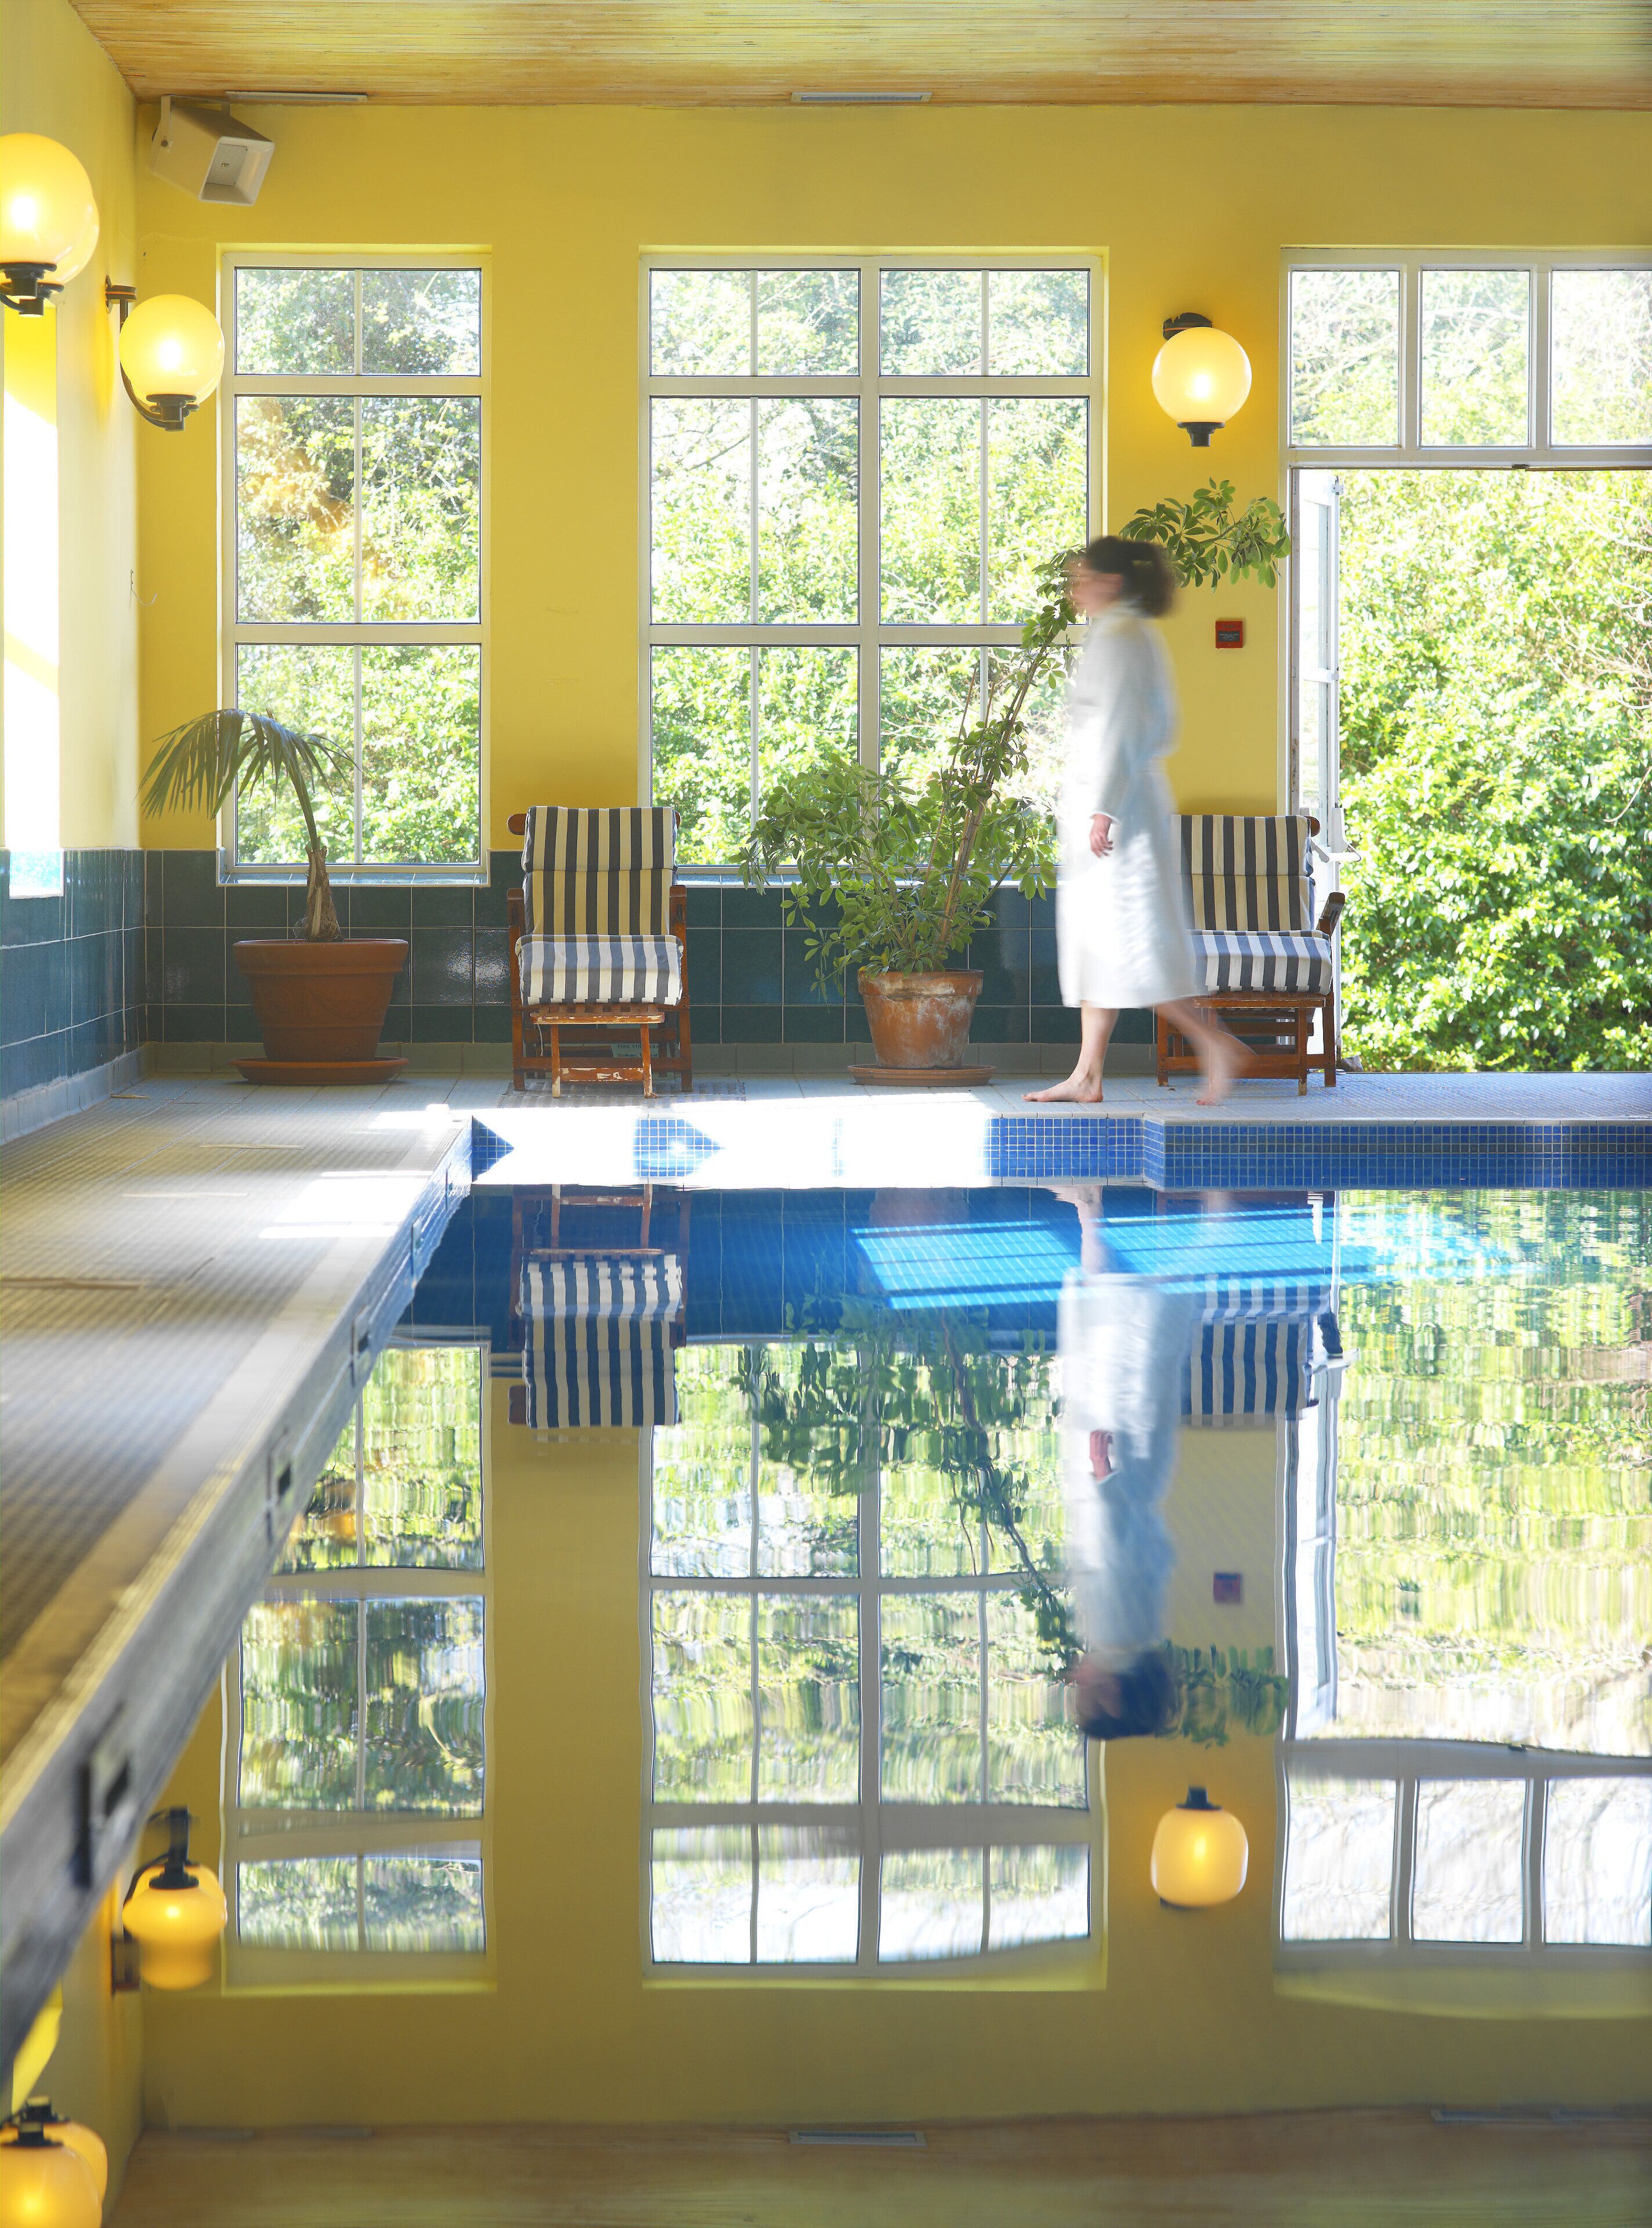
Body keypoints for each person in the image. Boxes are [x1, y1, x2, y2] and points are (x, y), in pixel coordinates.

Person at [1027, 534, 1245, 1108]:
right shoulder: (1123, 631)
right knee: (1102, 943)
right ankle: (1087, 1076)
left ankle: (1213, 1043)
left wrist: (1105, 808)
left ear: (1112, 582)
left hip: (1120, 815)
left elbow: (1122, 727)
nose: (1076, 589)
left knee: (1133, 945)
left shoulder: (1122, 635)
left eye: (1083, 578)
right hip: (1117, 806)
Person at [1050, 1184, 1198, 1746]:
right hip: (1112, 1466)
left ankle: (1093, 1211)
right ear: (1108, 1696)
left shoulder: (1143, 1636)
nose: (1074, 1683)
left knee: (1122, 1337)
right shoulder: (1113, 1636)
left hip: (1139, 1469)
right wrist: (1101, 1468)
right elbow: (1109, 1546)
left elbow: (1150, 1551)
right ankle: (1104, 1210)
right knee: (1108, 1338)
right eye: (1082, 1696)